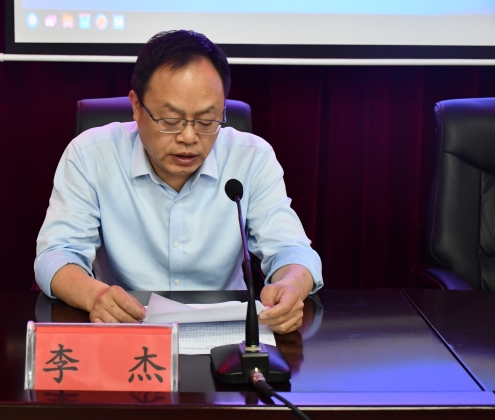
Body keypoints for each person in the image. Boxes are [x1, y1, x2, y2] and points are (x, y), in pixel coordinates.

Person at [35, 30, 323, 334]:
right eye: (171, 121)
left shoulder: (251, 158)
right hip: (128, 329)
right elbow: (57, 254)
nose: (189, 137)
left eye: (206, 121)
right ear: (136, 107)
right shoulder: (91, 155)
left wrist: (291, 286)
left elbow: (291, 250)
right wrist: (95, 295)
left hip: (227, 332)